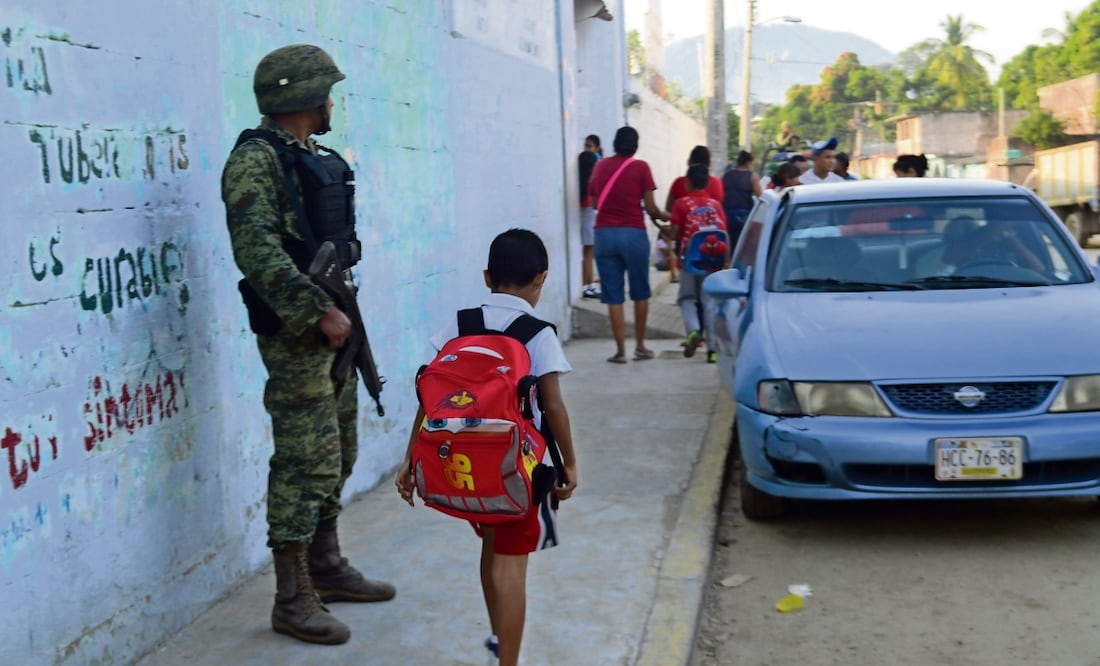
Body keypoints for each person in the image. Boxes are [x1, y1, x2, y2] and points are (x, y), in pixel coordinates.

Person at [221, 44, 396, 645]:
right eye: (325, 92)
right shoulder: (253, 162)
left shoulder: (309, 156)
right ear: (301, 97)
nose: (330, 103)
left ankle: (325, 566)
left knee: (340, 448)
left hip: (335, 322)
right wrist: (314, 308)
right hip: (299, 333)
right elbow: (257, 249)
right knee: (303, 460)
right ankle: (292, 598)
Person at [395, 229, 578, 666]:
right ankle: (508, 659)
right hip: (516, 468)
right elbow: (553, 406)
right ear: (542, 278)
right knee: (511, 564)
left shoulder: (457, 325)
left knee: (491, 549)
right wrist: (569, 464)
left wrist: (410, 459)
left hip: (465, 466)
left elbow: (430, 397)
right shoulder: (537, 333)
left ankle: (500, 634)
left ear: (486, 276)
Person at [589, 126, 670, 364]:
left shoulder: (600, 166)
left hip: (604, 234)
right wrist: (666, 217)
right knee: (640, 292)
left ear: (615, 143)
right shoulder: (641, 167)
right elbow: (652, 208)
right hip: (633, 234)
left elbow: (595, 203)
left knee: (613, 295)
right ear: (635, 145)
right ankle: (641, 347)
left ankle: (620, 351)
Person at [670, 164, 729, 363]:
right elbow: (724, 234)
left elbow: (675, 232)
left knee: (687, 298)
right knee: (710, 302)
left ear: (687, 182)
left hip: (689, 261)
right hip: (712, 260)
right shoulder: (716, 205)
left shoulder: (681, 204)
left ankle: (694, 331)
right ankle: (713, 349)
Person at [664, 145, 724, 283]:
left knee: (688, 288)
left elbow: (669, 211)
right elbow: (719, 215)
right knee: (707, 287)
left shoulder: (680, 183)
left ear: (690, 161)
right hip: (711, 243)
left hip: (686, 244)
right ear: (709, 162)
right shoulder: (717, 183)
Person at [578, 134, 603, 299]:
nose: (587, 149)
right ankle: (588, 285)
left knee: (589, 252)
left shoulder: (590, 167)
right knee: (589, 251)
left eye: (590, 145)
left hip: (589, 213)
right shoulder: (591, 176)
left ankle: (589, 284)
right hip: (590, 213)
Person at [721, 150, 762, 240]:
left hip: (726, 214)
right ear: (748, 163)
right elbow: (759, 194)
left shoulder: (726, 176)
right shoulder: (752, 176)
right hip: (744, 215)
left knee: (729, 241)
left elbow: (721, 196)